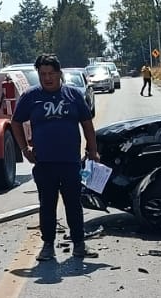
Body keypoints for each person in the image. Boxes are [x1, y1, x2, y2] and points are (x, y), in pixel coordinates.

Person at [11, 53, 100, 262]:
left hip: (70, 162)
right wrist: (24, 149)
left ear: (60, 73)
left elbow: (87, 124)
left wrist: (93, 151)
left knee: (73, 205)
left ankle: (79, 244)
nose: (47, 78)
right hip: (44, 163)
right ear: (38, 75)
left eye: (51, 73)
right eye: (43, 74)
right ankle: (48, 246)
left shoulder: (73, 95)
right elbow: (16, 122)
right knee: (47, 205)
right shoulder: (30, 97)